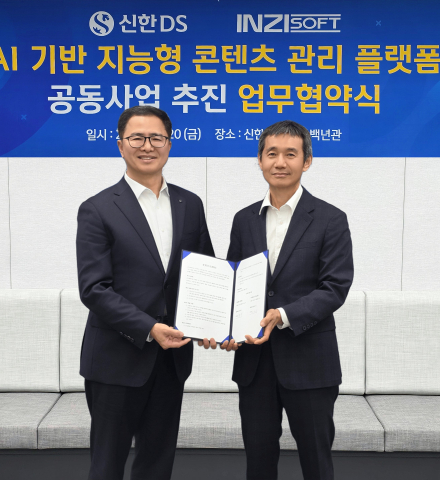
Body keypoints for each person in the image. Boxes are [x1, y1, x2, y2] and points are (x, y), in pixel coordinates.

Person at [201, 120, 353, 479]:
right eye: (272, 154)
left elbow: (335, 287)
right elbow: (234, 282)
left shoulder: (330, 219)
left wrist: (282, 315)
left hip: (310, 361)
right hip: (255, 364)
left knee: (317, 464)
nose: (280, 162)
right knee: (258, 462)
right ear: (259, 160)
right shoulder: (244, 220)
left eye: (290, 154)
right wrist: (223, 327)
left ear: (307, 161)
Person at [76, 105, 214, 480]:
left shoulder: (190, 204)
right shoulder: (97, 209)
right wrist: (149, 328)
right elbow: (94, 289)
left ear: (169, 144)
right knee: (107, 465)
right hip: (116, 359)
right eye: (137, 137)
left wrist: (214, 322)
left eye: (156, 138)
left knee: (157, 463)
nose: (147, 146)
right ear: (120, 144)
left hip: (171, 359)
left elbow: (204, 273)